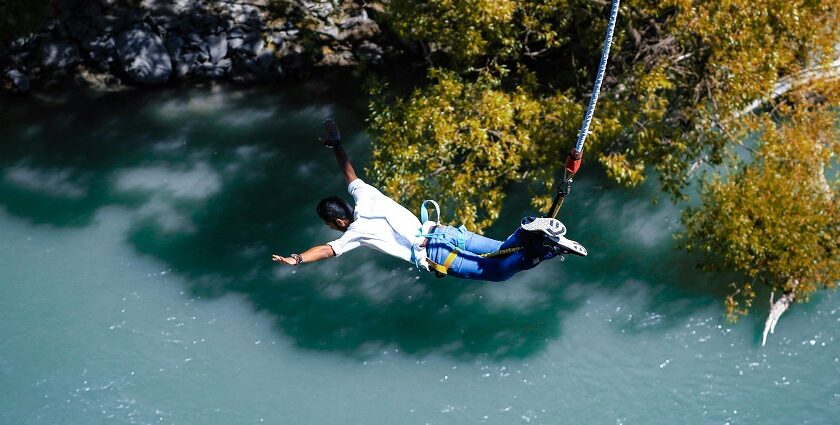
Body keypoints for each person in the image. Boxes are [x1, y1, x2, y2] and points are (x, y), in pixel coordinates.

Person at [271, 118, 586, 282]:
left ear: (338, 221)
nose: (331, 230)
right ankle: (533, 234)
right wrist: (336, 144)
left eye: (329, 225)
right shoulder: (365, 195)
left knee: (500, 271)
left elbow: (326, 251)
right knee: (501, 250)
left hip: (435, 254)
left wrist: (297, 259)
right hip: (442, 232)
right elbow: (349, 173)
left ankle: (542, 245)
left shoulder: (355, 234)